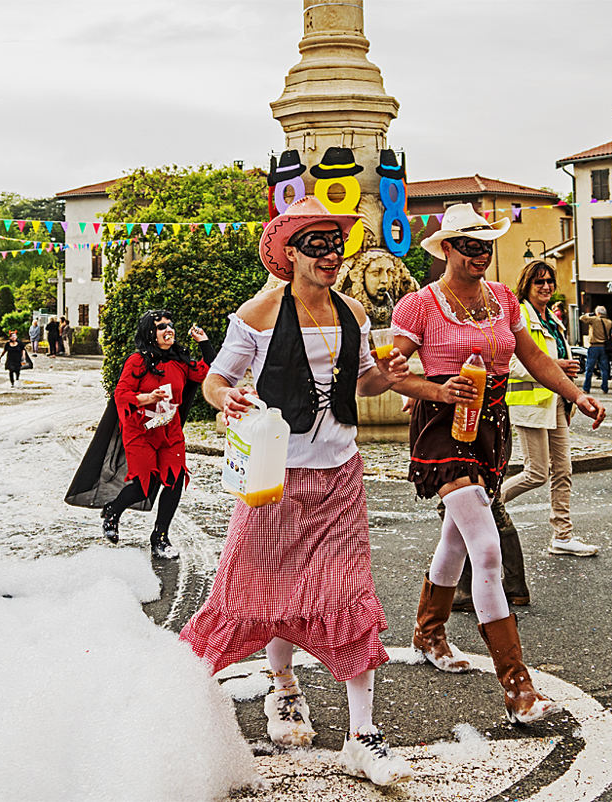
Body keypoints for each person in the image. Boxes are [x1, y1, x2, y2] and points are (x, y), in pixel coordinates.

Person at [179, 197, 414, 787]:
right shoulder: (257, 313)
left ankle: (363, 735)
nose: (331, 254)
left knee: (347, 594)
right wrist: (224, 399)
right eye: (317, 244)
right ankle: (279, 688)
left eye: (337, 244)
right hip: (273, 477)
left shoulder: (354, 311)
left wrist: (395, 370)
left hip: (340, 473)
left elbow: (363, 378)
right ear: (289, 253)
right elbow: (215, 380)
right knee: (253, 595)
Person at [387, 203, 605, 724]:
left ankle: (428, 630)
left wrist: (579, 395)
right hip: (443, 425)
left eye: (488, 245)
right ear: (446, 249)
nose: (482, 253)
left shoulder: (504, 298)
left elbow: (533, 358)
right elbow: (394, 375)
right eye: (471, 245)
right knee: (485, 545)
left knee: (458, 538)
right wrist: (434, 388)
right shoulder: (420, 305)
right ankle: (518, 687)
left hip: (492, 426)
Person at [66, 310, 213, 559]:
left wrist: (205, 343)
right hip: (140, 430)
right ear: (149, 333)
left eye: (170, 325)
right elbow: (121, 394)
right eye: (161, 327)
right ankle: (113, 510)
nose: (169, 330)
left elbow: (207, 371)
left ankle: (160, 538)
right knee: (143, 487)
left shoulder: (179, 360)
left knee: (175, 480)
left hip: (170, 430)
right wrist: (148, 398)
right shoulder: (137, 361)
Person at [502, 261, 600, 558]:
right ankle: (483, 507)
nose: (545, 287)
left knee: (563, 470)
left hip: (557, 402)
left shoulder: (552, 320)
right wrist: (554, 365)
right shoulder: (518, 315)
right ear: (526, 285)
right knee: (536, 473)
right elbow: (511, 365)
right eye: (539, 282)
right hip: (530, 405)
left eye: (549, 282)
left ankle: (562, 535)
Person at [579, 305, 612, 395]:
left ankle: (586, 388)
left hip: (594, 346)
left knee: (589, 368)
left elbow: (582, 318)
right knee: (604, 369)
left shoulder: (594, 319)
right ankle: (605, 388)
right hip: (604, 347)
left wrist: (590, 314)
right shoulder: (609, 322)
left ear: (597, 312)